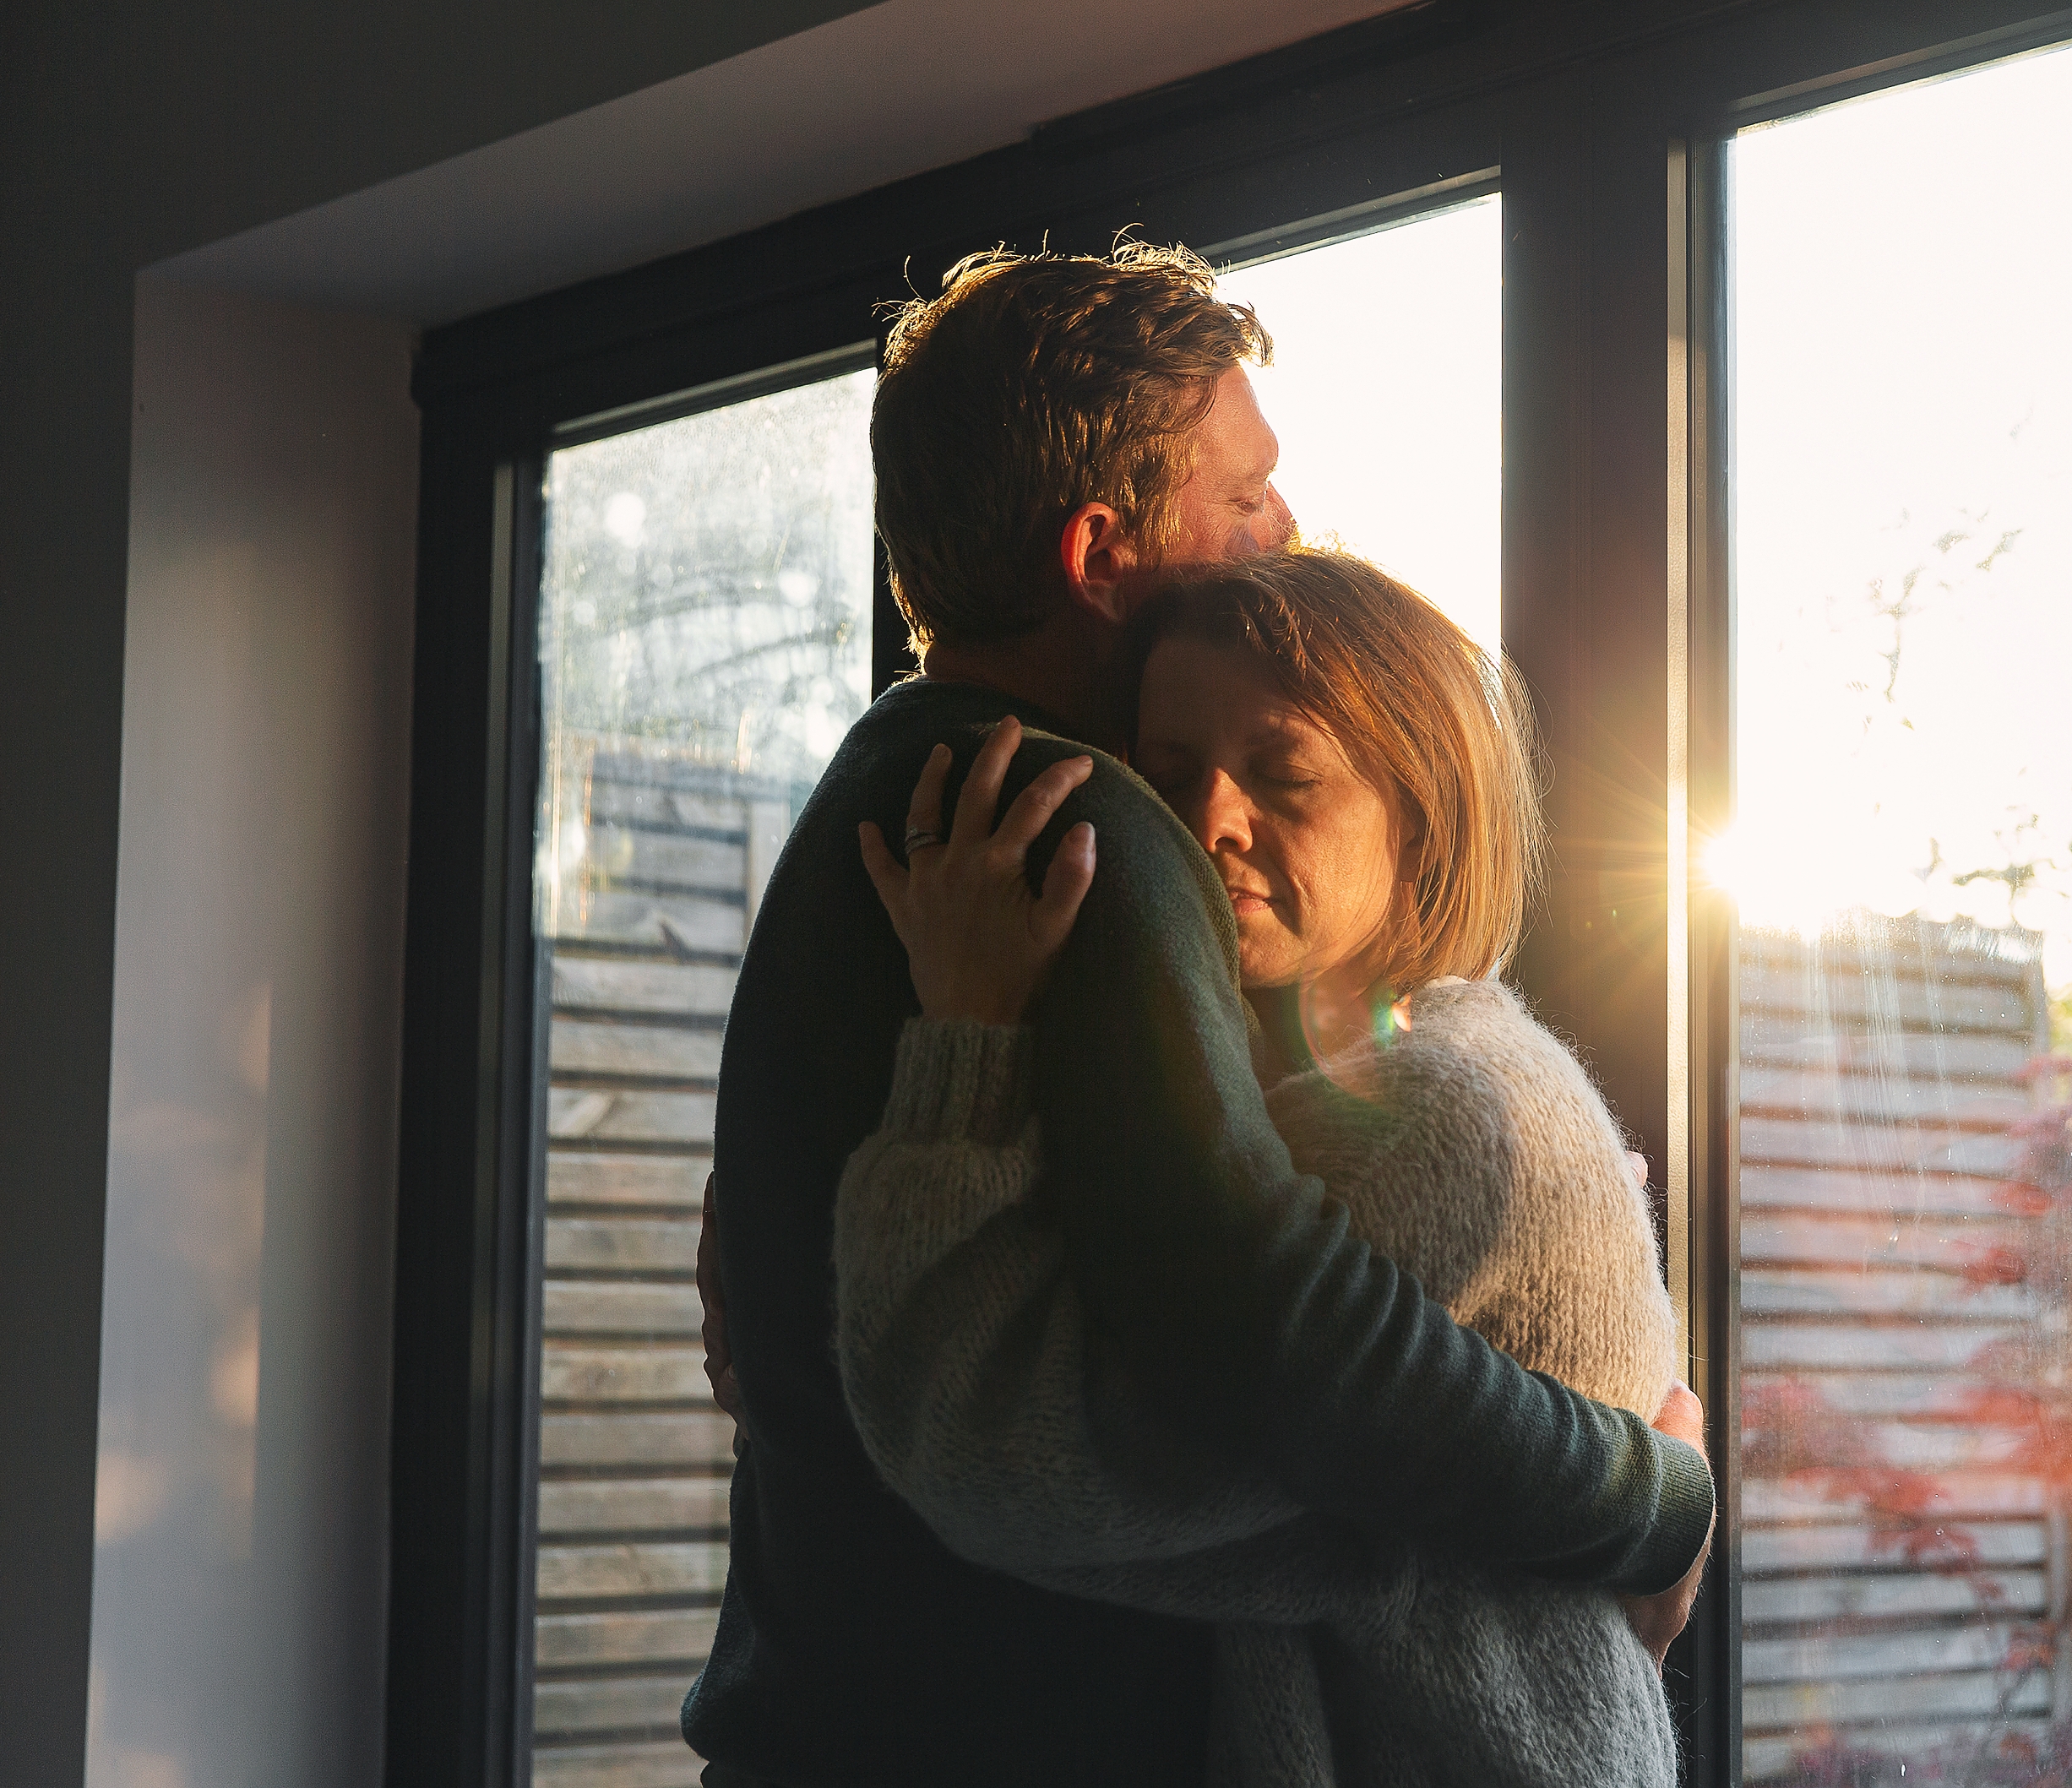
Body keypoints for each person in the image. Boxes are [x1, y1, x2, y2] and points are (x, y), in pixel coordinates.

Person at [684, 242, 1711, 1786]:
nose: (1280, 528)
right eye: (1244, 495)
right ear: (1102, 548)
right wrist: (1647, 1502)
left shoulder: (876, 787)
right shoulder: (1079, 827)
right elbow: (1278, 1332)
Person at [838, 551, 1692, 1786]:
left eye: (1284, 773)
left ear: (1423, 818)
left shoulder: (1446, 1109)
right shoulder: (1303, 1089)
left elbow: (1006, 1454)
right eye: (1165, 776)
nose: (1207, 823)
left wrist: (968, 1040)